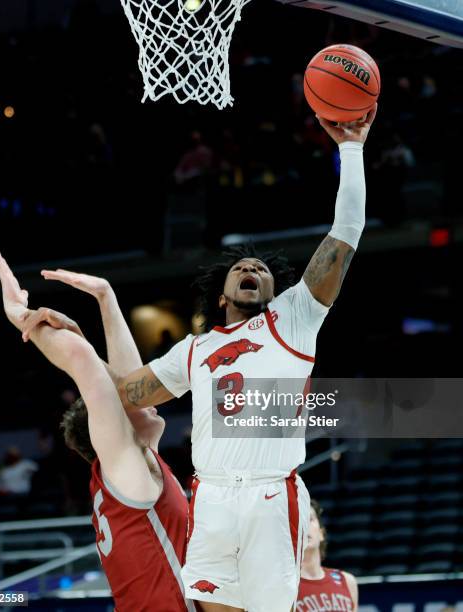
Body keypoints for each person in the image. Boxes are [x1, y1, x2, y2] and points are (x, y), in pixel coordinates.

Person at [25, 106, 377, 612]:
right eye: (241, 266)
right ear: (221, 297)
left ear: (276, 292)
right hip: (210, 499)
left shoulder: (296, 317)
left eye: (261, 267)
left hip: (270, 497)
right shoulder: (194, 351)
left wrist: (352, 147)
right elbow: (124, 392)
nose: (251, 266)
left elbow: (347, 232)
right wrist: (80, 341)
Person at [0, 251, 194, 612]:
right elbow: (82, 362)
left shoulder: (134, 473)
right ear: (112, 427)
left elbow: (131, 386)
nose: (144, 401)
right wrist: (18, 315)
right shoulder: (125, 468)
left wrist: (105, 297)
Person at [297, 500, 358, 611]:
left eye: (310, 519)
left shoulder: (347, 581)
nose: (304, 525)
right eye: (298, 520)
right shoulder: (284, 587)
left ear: (321, 534)